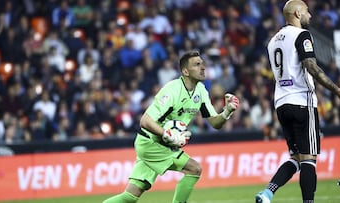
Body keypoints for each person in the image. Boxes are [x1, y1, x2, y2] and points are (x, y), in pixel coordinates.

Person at [102, 51, 239, 203]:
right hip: (151, 143)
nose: (203, 67)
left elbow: (215, 123)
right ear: (185, 71)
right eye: (197, 64)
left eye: (202, 63)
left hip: (159, 144)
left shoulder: (201, 91)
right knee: (194, 169)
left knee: (129, 197)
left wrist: (227, 111)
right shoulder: (172, 90)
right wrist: (167, 134)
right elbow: (145, 121)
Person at [255, 1, 340, 203]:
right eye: (307, 12)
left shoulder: (273, 41)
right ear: (297, 13)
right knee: (309, 158)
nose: (310, 15)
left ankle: (267, 193)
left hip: (282, 103)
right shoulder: (302, 35)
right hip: (302, 100)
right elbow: (311, 66)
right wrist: (335, 89)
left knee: (296, 157)